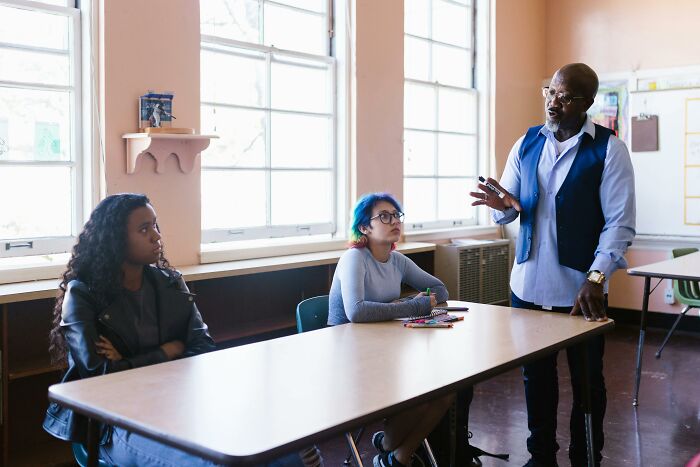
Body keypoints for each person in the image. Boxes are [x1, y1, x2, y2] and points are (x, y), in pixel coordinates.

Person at [42, 193, 315, 467]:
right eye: (144, 229)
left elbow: (204, 349)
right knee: (219, 463)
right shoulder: (83, 294)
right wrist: (167, 350)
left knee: (281, 452)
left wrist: (127, 362)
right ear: (115, 239)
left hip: (178, 410)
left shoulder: (170, 282)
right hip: (116, 425)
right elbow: (99, 377)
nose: (156, 237)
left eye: (155, 226)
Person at [470, 63, 636, 467]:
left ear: (586, 103)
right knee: (536, 379)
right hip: (527, 286)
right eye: (550, 92)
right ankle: (540, 456)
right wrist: (502, 207)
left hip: (581, 292)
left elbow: (620, 223)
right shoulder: (526, 143)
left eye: (564, 96)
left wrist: (596, 277)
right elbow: (509, 208)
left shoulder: (608, 149)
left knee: (587, 383)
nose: (553, 102)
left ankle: (586, 457)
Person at [328, 192, 454, 467]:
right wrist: (412, 305)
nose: (394, 220)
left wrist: (408, 302)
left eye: (397, 215)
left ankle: (399, 455)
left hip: (385, 349)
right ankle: (385, 444)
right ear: (364, 227)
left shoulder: (397, 260)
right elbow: (357, 312)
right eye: (384, 216)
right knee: (420, 395)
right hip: (349, 358)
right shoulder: (355, 258)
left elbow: (441, 289)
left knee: (446, 391)